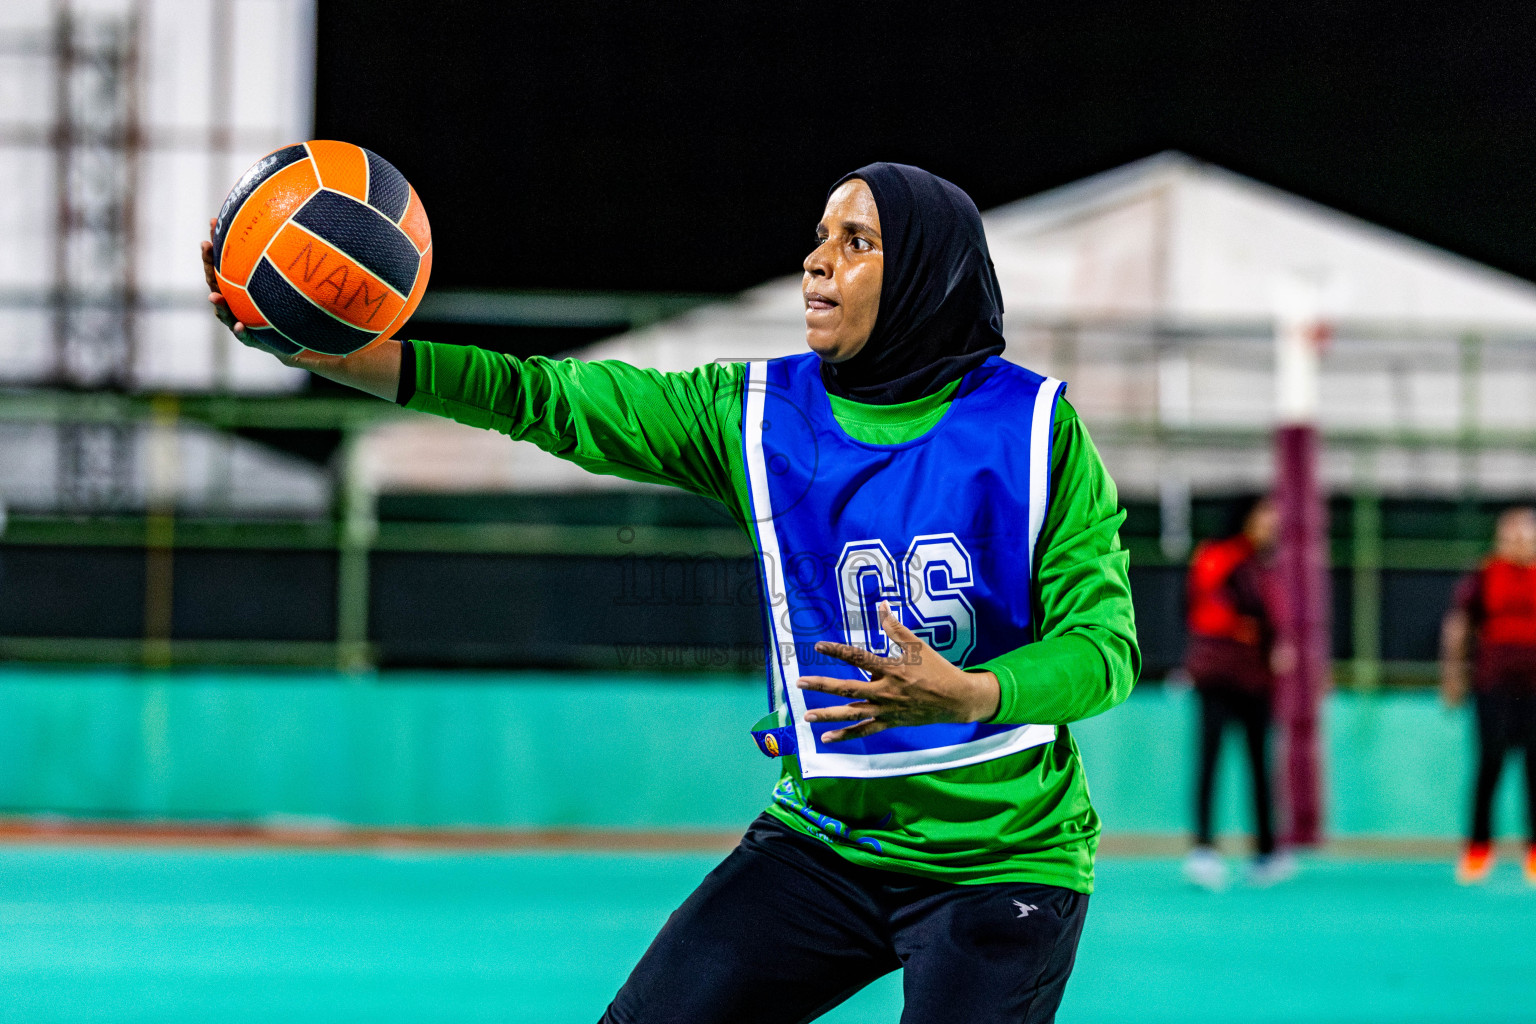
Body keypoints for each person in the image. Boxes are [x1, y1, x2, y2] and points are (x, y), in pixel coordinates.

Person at [202, 163, 1138, 1023]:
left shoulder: (1035, 432)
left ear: (929, 272)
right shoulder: (757, 413)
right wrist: (319, 350)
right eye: (819, 235)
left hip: (1004, 859)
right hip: (828, 843)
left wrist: (973, 691)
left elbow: (1107, 650)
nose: (817, 261)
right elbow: (546, 399)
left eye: (858, 242)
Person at [1180, 495, 1295, 890]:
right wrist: (1254, 632)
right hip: (1218, 677)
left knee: (1260, 763)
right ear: (1246, 517)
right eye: (1266, 514)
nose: (1272, 522)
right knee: (1209, 761)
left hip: (1256, 679)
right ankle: (1203, 850)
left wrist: (1275, 647)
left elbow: (1272, 619)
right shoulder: (1219, 557)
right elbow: (1206, 610)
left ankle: (1267, 851)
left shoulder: (1266, 565)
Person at [1440, 506, 1536, 886]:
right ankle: (1478, 849)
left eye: (1526, 537)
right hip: (1493, 686)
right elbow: (1459, 626)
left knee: (1535, 768)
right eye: (1511, 537)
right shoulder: (1484, 576)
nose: (1519, 544)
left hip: (1534, 691)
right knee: (1490, 763)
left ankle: (1533, 853)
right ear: (1500, 540)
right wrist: (1452, 675)